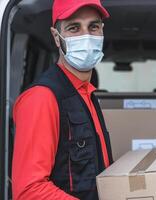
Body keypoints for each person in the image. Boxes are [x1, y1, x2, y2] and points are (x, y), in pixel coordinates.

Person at [12, 0, 113, 199]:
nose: (86, 36)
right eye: (74, 28)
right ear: (56, 37)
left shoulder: (87, 94)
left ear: (102, 31)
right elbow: (29, 191)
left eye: (93, 27)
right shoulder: (42, 98)